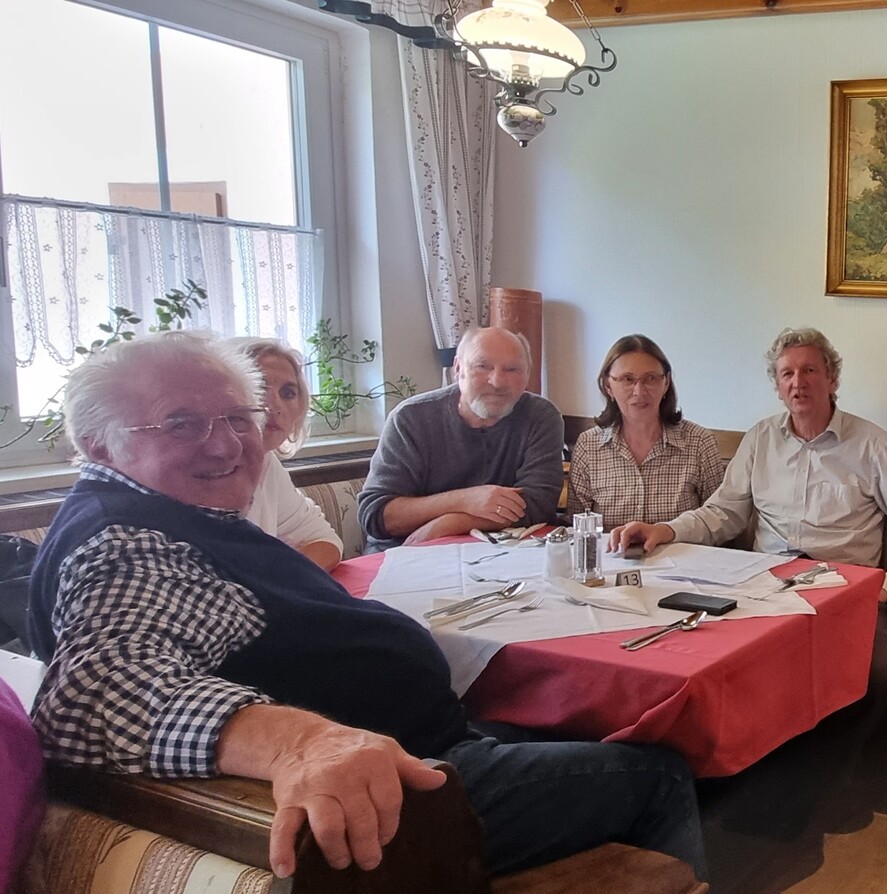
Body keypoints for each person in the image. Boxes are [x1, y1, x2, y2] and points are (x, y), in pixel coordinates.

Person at [27, 331, 706, 882]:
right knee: (661, 769)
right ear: (97, 442)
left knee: (596, 722)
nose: (227, 444)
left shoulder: (173, 514)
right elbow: (93, 691)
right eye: (181, 424)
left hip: (425, 741)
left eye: (238, 418)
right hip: (413, 789)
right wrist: (303, 743)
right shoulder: (127, 541)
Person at [610, 326, 887, 604]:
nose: (798, 382)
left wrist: (883, 590)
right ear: (778, 387)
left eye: (809, 370)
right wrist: (664, 530)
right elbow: (722, 513)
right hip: (764, 587)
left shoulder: (872, 445)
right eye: (787, 373)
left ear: (832, 379)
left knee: (869, 664)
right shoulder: (760, 439)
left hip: (842, 590)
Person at [358, 327, 564, 551]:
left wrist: (453, 523)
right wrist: (465, 500)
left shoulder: (540, 416)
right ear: (458, 369)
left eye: (512, 369)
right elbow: (376, 515)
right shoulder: (410, 418)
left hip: (499, 551)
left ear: (527, 375)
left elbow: (538, 505)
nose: (497, 381)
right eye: (482, 366)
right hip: (406, 551)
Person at [568, 334, 724, 529]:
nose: (639, 391)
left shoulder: (699, 442)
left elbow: (717, 521)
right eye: (627, 379)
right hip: (611, 550)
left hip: (680, 550)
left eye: (650, 378)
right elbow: (577, 526)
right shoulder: (588, 445)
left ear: (666, 382)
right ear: (608, 386)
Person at [227, 337, 342, 570]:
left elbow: (326, 541)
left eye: (288, 393)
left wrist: (282, 578)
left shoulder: (267, 464)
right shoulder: (197, 477)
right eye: (258, 387)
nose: (274, 406)